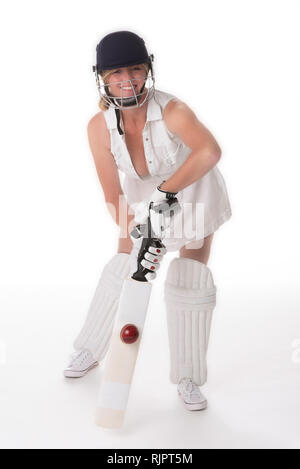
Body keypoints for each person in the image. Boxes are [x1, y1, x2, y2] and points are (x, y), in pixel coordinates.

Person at [63, 31, 232, 412]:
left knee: (189, 281)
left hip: (194, 195)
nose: (127, 79)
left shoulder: (174, 110)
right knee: (123, 267)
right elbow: (112, 195)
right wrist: (137, 232)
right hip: (141, 206)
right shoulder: (98, 127)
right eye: (117, 72)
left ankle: (188, 377)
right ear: (102, 77)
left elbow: (209, 151)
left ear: (147, 70)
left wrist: (167, 194)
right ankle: (89, 350)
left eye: (135, 69)